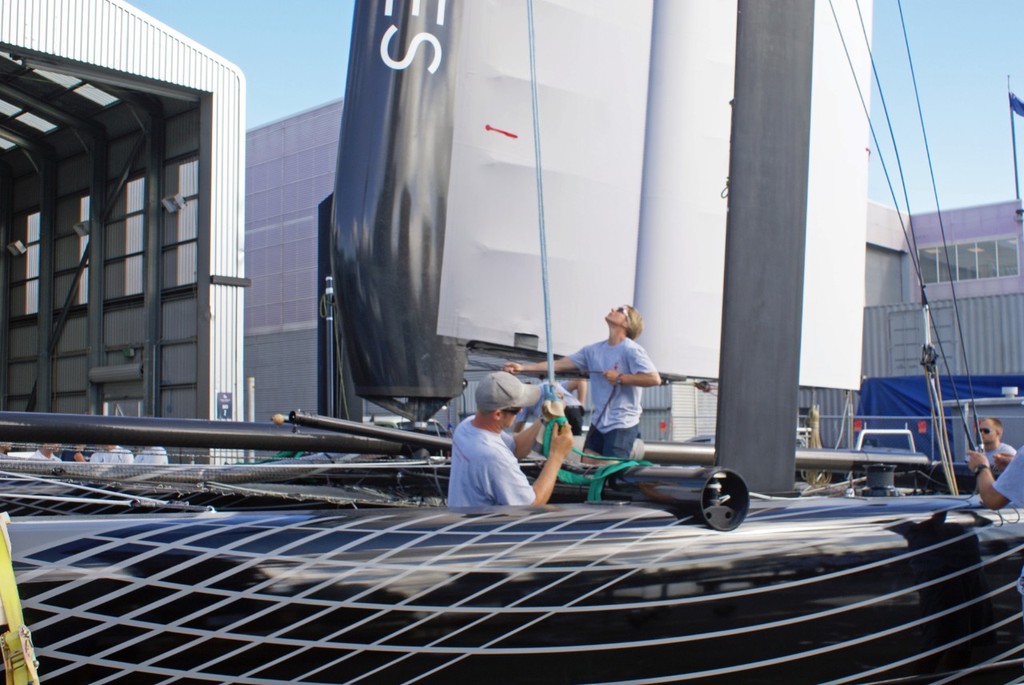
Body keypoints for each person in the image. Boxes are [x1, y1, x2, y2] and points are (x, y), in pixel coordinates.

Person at [505, 304, 661, 459]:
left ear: (627, 323)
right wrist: (522, 367)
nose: (613, 309)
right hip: (598, 423)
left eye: (620, 310)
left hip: (622, 425)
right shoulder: (592, 351)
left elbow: (654, 378)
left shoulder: (632, 350)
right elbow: (558, 365)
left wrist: (620, 378)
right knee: (586, 468)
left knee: (609, 474)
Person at [448, 371, 574, 507]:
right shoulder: (494, 457)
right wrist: (557, 455)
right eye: (517, 409)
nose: (521, 411)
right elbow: (531, 504)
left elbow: (515, 447)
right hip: (487, 527)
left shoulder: (467, 426)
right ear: (497, 414)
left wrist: (544, 417)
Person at [513, 379, 588, 436]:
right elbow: (581, 381)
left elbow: (517, 431)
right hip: (574, 412)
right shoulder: (547, 385)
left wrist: (581, 403)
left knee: (559, 439)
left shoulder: (526, 404)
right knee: (572, 438)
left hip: (562, 415)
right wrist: (580, 404)